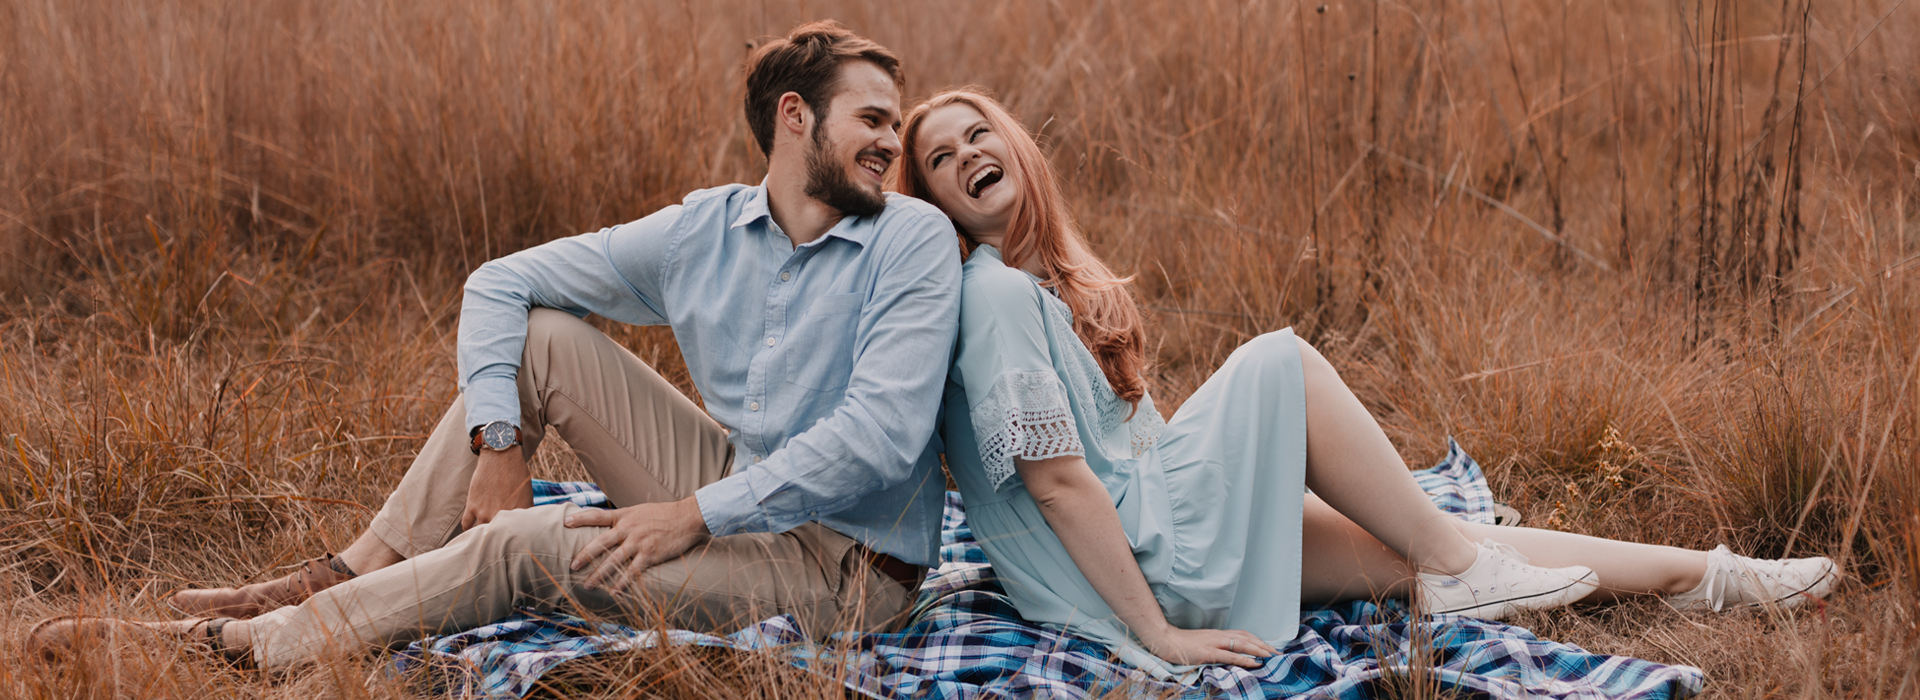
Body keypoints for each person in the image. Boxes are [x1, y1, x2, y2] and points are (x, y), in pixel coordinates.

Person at [30, 21, 961, 668]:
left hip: (842, 568)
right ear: (796, 117)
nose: (893, 145)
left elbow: (879, 438)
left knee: (524, 548)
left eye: (894, 125)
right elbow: (500, 282)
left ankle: (244, 651)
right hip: (737, 482)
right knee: (544, 338)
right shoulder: (703, 232)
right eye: (873, 121)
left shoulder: (906, 239)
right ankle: (351, 572)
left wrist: (695, 515)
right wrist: (499, 443)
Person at [893, 87, 1838, 676]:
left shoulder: (1036, 284)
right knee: (1283, 360)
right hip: (1148, 567)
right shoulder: (995, 298)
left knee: (1422, 545)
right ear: (932, 203)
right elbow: (1060, 484)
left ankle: (1718, 580)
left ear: (1016, 146)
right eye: (941, 158)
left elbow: (1119, 449)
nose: (969, 154)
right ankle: (1468, 571)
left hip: (1167, 530)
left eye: (979, 134)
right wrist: (1158, 637)